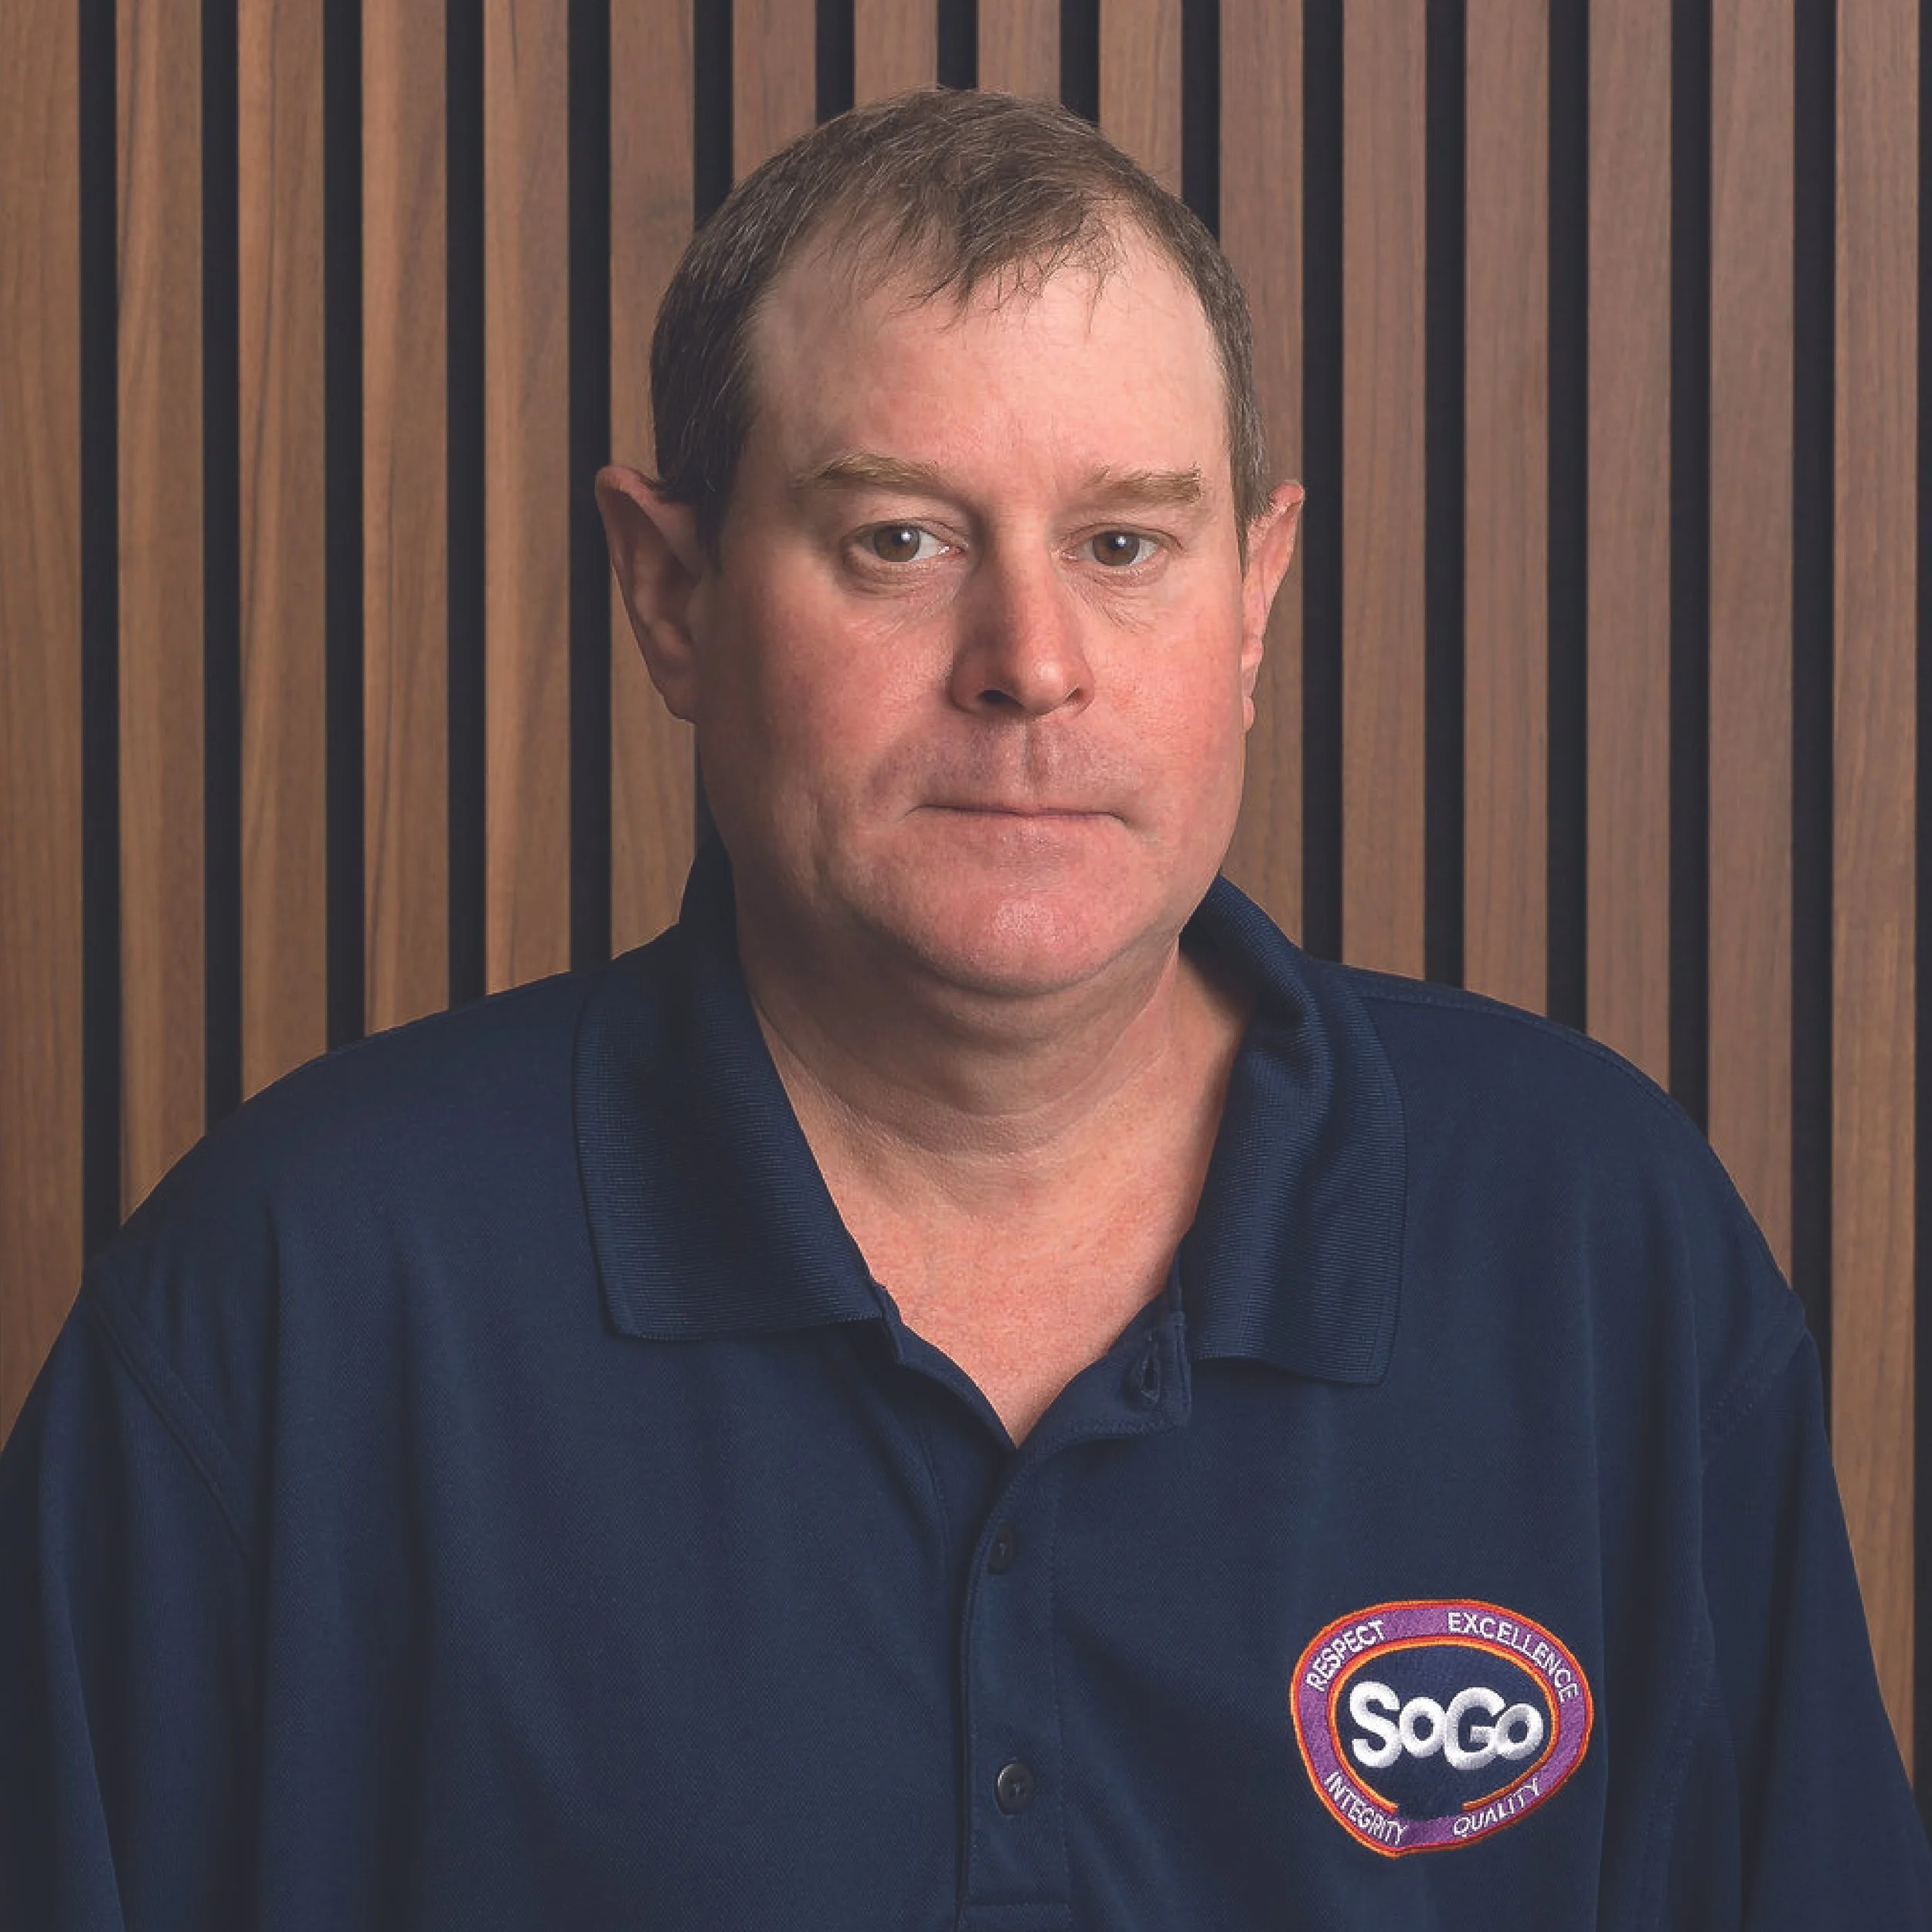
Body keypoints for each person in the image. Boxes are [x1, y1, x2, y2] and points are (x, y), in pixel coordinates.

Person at [0, 87, 1925, 1930]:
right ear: (667, 594)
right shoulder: (291, 1298)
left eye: (1122, 543)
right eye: (900, 539)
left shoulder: (1595, 1249)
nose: (1029, 664)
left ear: (1249, 596)